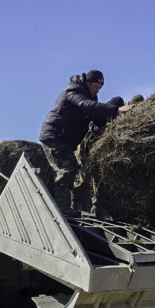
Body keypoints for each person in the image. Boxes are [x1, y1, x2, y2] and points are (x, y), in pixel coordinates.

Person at [40, 70, 120, 214]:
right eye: (95, 86)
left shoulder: (92, 98)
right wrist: (114, 110)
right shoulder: (73, 89)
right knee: (68, 167)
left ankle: (54, 206)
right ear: (88, 83)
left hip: (63, 138)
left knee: (60, 170)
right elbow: (85, 105)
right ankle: (61, 208)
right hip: (54, 134)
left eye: (99, 89)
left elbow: (96, 118)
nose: (97, 91)